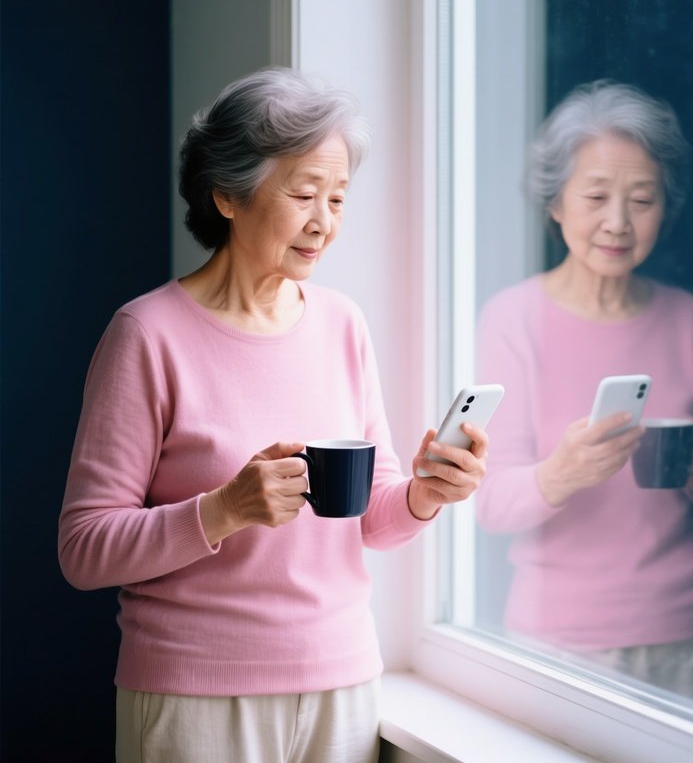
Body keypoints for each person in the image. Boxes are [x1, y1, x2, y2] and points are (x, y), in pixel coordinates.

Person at [58, 67, 489, 763]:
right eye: (303, 194)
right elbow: (84, 548)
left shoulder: (343, 323)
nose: (325, 221)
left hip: (342, 686)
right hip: (193, 697)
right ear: (227, 194)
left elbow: (370, 519)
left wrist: (423, 495)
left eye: (340, 198)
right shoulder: (146, 334)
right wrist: (222, 510)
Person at [475, 80, 693, 707]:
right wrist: (561, 473)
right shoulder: (512, 320)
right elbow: (488, 502)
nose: (618, 223)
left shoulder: (688, 318)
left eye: (642, 199)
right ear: (555, 204)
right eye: (596, 196)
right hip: (565, 645)